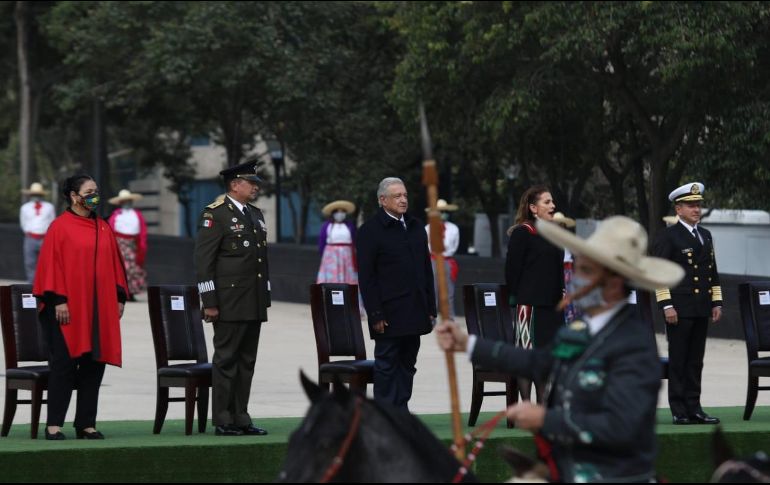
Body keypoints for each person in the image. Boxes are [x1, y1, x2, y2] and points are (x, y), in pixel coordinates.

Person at [437, 215, 684, 482]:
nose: (575, 279)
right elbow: (539, 362)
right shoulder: (580, 328)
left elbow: (622, 427)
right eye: (577, 268)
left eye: (586, 271)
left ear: (613, 283)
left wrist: (546, 419)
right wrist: (468, 343)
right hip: (563, 468)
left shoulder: (633, 344)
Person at [32, 173, 128, 440]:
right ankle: (53, 426)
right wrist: (58, 300)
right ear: (74, 196)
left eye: (96, 190)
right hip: (66, 310)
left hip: (98, 309)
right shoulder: (59, 227)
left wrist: (119, 297)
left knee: (93, 364)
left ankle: (85, 424)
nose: (94, 195)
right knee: (63, 366)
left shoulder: (104, 227)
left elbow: (115, 265)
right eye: (88, 191)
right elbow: (50, 266)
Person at [194, 160, 270, 436]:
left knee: (247, 360)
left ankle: (241, 416)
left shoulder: (255, 214)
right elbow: (204, 262)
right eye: (252, 183)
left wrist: (266, 297)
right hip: (227, 301)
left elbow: (261, 261)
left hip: (253, 299)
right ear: (235, 185)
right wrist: (209, 301)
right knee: (226, 359)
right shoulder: (215, 215)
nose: (255, 188)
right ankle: (223, 418)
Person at [356, 177, 436, 411]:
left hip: (415, 309)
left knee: (408, 363)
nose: (403, 200)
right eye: (397, 196)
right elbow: (367, 277)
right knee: (387, 364)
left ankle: (401, 410)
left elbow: (425, 270)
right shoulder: (370, 231)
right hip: (388, 312)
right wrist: (375, 313)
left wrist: (431, 308)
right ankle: (385, 413)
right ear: (383, 200)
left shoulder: (415, 226)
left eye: (405, 195)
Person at [653, 182, 723, 425]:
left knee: (696, 360)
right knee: (679, 358)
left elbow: (711, 272)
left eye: (699, 205)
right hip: (679, 308)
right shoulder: (668, 236)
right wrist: (666, 305)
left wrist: (717, 301)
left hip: (701, 306)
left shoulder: (705, 235)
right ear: (678, 208)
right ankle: (679, 409)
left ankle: (695, 407)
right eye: (691, 205)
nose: (696, 209)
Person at [505, 186, 564, 401]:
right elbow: (512, 270)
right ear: (533, 208)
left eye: (552, 202)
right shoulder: (523, 232)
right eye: (547, 202)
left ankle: (544, 405)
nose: (553, 206)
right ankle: (528, 405)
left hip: (553, 306)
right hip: (529, 306)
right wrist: (518, 298)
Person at [108, 189, 148, 300]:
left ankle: (131, 292)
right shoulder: (115, 216)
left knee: (132, 268)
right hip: (119, 243)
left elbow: (142, 231)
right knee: (122, 268)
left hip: (133, 244)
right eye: (124, 201)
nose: (127, 203)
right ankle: (121, 292)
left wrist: (141, 245)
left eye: (128, 201)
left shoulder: (137, 215)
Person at [424, 199, 460, 319]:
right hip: (433, 259)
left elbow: (454, 246)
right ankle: (431, 317)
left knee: (449, 291)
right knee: (431, 289)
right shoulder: (428, 228)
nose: (442, 213)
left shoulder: (453, 228)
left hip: (446, 259)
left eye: (444, 211)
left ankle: (449, 317)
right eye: (440, 211)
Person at [19, 182, 56, 283]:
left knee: (46, 262)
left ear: (42, 195)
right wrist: (29, 233)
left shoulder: (49, 207)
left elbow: (52, 222)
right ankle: (31, 285)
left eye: (38, 194)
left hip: (45, 238)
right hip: (30, 238)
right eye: (34, 194)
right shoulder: (25, 207)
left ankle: (45, 284)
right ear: (30, 195)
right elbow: (23, 223)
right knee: (30, 263)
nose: (36, 196)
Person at [553, 212, 581, 325]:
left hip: (570, 271)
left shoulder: (568, 239)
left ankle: (571, 318)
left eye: (562, 224)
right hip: (560, 271)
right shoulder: (552, 241)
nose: (560, 226)